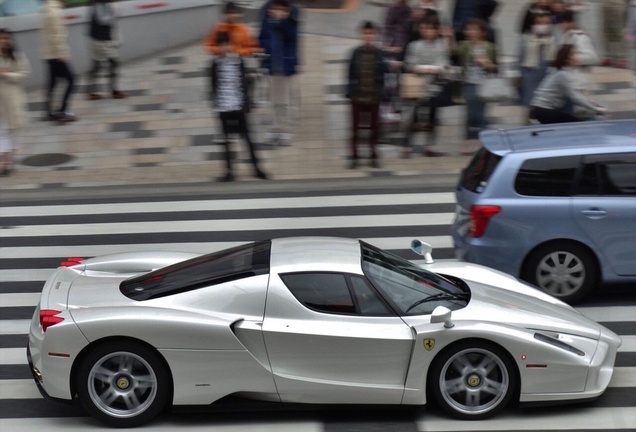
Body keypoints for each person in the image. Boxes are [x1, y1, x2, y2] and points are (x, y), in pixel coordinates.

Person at [209, 32, 267, 182]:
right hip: (223, 107)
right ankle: (229, 171)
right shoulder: (214, 64)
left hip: (238, 107)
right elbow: (213, 85)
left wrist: (247, 103)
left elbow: (244, 82)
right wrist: (216, 104)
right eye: (221, 45)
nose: (224, 48)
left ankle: (256, 169)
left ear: (230, 45)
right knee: (226, 142)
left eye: (226, 44)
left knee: (248, 139)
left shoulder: (238, 61)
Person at [402, 15, 451, 156]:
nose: (427, 31)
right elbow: (410, 64)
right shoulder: (414, 45)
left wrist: (431, 69)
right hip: (417, 85)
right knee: (412, 115)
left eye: (430, 28)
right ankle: (407, 145)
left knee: (433, 115)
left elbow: (443, 64)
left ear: (436, 30)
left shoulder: (442, 45)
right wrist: (427, 68)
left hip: (434, 85)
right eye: (424, 28)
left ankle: (430, 145)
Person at [345, 21, 387, 169]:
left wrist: (382, 93)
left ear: (374, 35)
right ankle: (354, 156)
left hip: (374, 97)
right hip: (357, 96)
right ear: (361, 35)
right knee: (355, 128)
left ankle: (373, 154)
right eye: (365, 33)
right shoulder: (355, 53)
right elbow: (350, 74)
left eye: (370, 33)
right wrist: (349, 92)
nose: (368, 36)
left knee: (375, 128)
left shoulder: (379, 53)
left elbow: (382, 74)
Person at [530, 44, 605, 124]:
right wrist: (595, 109)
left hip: (540, 110)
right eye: (573, 54)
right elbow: (574, 97)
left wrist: (590, 102)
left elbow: (576, 94)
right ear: (566, 59)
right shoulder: (563, 74)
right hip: (545, 111)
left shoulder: (559, 71)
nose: (577, 57)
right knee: (576, 125)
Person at [259, 0, 299, 146]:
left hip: (285, 63)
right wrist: (264, 49)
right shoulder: (266, 9)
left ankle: (286, 130)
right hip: (271, 62)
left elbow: (291, 36)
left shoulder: (292, 11)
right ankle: (275, 128)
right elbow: (262, 36)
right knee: (273, 99)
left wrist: (281, 19)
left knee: (285, 100)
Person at [454, 18, 497, 140]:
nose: (470, 32)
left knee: (480, 111)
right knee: (471, 111)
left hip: (484, 83)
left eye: (474, 29)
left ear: (482, 32)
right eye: (468, 29)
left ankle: (483, 134)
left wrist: (487, 64)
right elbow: (454, 52)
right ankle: (471, 135)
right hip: (469, 82)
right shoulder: (464, 45)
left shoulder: (490, 47)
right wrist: (449, 37)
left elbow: (496, 67)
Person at [0, 29, 30, 176]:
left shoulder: (16, 56)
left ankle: (9, 160)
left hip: (13, 99)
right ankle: (5, 164)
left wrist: (7, 74)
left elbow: (25, 73)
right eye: (1, 39)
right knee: (3, 132)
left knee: (15, 132)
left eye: (6, 39)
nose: (4, 41)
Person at [41, 0, 76, 122]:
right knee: (72, 79)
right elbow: (58, 35)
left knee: (53, 83)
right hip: (56, 54)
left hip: (49, 54)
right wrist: (62, 53)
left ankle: (49, 112)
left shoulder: (46, 8)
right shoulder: (55, 11)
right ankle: (63, 111)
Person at [517, 12, 556, 122]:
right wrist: (518, 75)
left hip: (547, 76)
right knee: (530, 105)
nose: (542, 26)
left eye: (545, 23)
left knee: (546, 105)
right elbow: (519, 57)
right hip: (530, 76)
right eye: (539, 23)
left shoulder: (553, 39)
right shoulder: (525, 38)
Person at [87, 0, 126, 100]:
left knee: (98, 65)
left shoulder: (102, 5)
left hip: (100, 40)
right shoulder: (98, 5)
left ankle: (93, 91)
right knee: (113, 63)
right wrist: (114, 13)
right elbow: (102, 20)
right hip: (101, 41)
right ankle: (113, 91)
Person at [600, 0, 629, 68]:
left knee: (619, 30)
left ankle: (622, 58)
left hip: (618, 3)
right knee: (606, 30)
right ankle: (607, 57)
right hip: (605, 4)